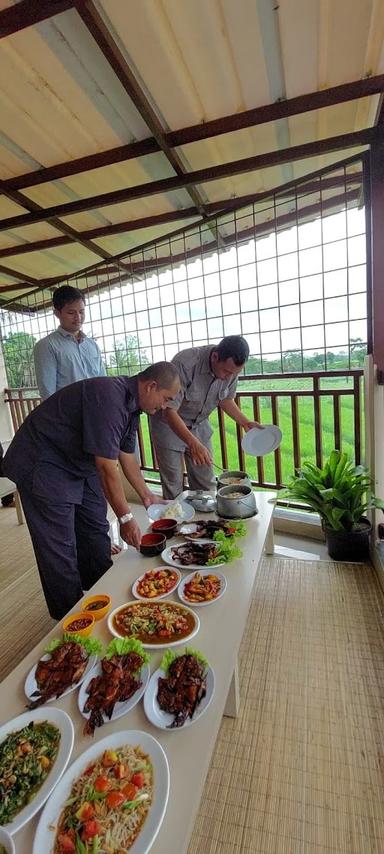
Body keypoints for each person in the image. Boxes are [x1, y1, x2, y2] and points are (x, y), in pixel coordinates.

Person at [2, 363, 180, 620]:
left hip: (76, 463)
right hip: (42, 462)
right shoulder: (109, 396)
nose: (165, 406)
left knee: (95, 529)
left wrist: (147, 496)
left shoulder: (133, 408)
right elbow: (108, 467)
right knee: (59, 546)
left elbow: (126, 455)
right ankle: (72, 621)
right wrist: (126, 518)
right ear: (151, 386)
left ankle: (102, 595)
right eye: (166, 399)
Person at [150, 335, 262, 499]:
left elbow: (225, 399)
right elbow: (169, 411)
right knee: (174, 485)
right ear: (215, 357)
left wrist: (245, 422)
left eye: (234, 374)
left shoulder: (231, 371)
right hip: (169, 425)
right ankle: (179, 522)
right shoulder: (186, 363)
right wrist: (193, 444)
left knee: (206, 483)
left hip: (199, 425)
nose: (228, 377)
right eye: (226, 371)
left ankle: (206, 523)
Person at [33, 285, 105, 401]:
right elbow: (48, 394)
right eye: (71, 313)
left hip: (96, 410)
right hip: (68, 415)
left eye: (81, 312)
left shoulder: (92, 345)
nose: (78, 317)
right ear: (57, 313)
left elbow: (103, 381)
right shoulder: (47, 346)